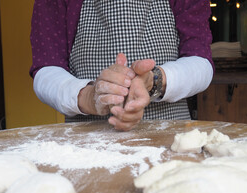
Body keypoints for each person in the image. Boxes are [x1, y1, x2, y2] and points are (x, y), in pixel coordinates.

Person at [30, 0, 214, 131]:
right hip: (86, 141)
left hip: (169, 135)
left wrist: (153, 80)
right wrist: (90, 97)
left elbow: (201, 63)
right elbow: (47, 69)